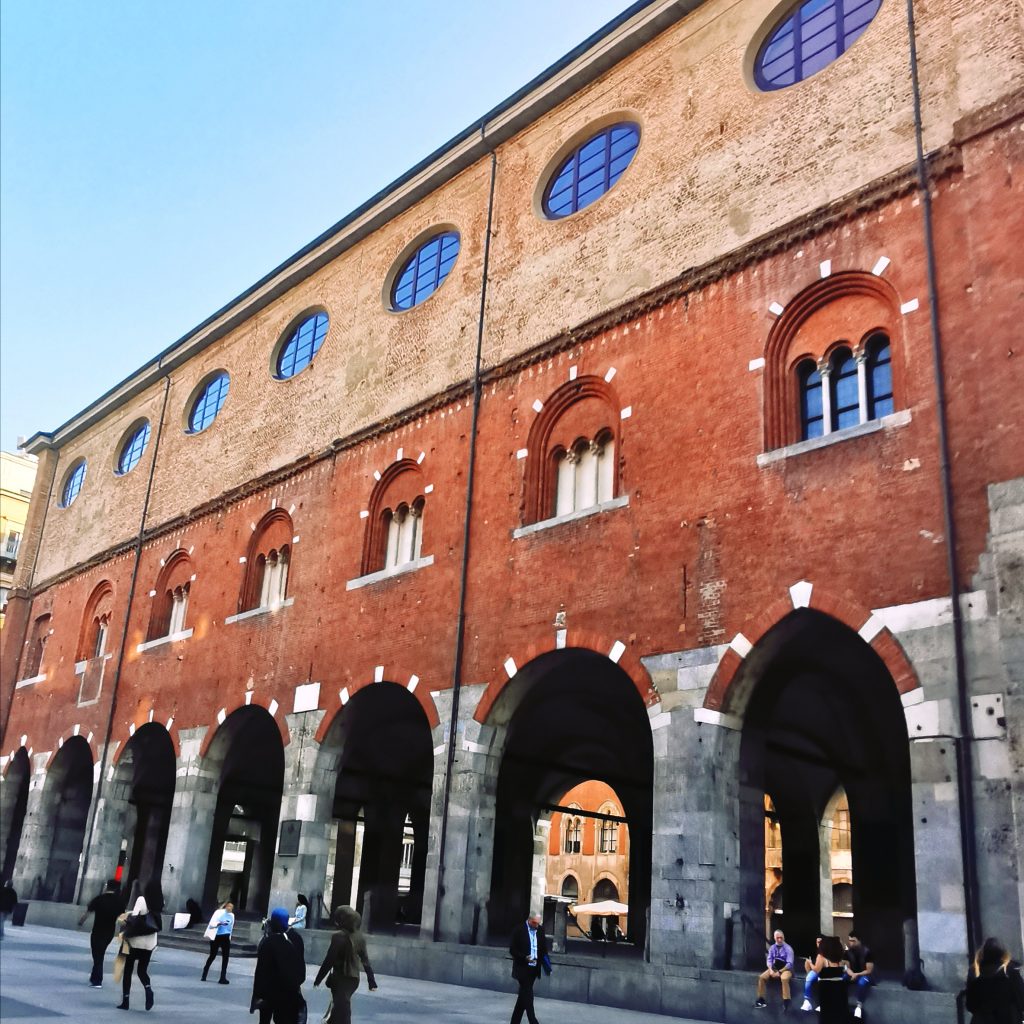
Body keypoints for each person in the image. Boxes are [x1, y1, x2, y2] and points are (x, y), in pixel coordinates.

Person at [313, 905, 378, 1024]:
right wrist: (371, 980)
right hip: (353, 979)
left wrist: (318, 979)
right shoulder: (359, 937)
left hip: (341, 978)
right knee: (340, 1007)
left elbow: (329, 960)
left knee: (342, 1010)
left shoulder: (338, 937)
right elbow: (365, 960)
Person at [251, 906, 306, 1024]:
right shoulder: (297, 938)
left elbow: (261, 971)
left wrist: (258, 994)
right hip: (290, 990)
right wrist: (297, 982)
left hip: (270, 992)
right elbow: (301, 965)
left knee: (264, 1020)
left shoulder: (268, 942)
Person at [119, 879, 163, 1011]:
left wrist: (126, 919)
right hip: (150, 942)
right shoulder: (160, 902)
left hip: (136, 940)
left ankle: (125, 1001)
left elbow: (135, 916)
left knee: (128, 970)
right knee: (142, 971)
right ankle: (148, 990)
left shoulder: (141, 900)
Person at [965, 937, 1024, 1024]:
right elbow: (1022, 1000)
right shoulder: (1011, 973)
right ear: (1002, 954)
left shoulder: (975, 977)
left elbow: (971, 1005)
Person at [78, 878, 123, 987]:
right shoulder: (119, 902)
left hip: (97, 930)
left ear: (107, 886)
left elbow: (87, 913)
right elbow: (122, 918)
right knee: (100, 953)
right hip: (109, 932)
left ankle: (97, 980)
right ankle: (94, 977)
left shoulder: (99, 899)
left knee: (97, 954)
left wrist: (80, 922)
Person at [509, 910, 549, 1024]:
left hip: (534, 968)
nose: (537, 926)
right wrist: (524, 957)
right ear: (529, 920)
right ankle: (533, 1021)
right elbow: (512, 950)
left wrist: (543, 962)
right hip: (522, 968)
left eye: (538, 923)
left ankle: (514, 1022)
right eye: (534, 923)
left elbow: (544, 949)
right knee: (528, 994)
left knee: (523, 997)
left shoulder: (540, 930)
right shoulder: (519, 930)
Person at [755, 928, 795, 1010]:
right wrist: (770, 970)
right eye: (777, 938)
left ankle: (786, 1000)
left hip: (785, 969)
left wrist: (779, 972)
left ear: (783, 937)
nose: (779, 939)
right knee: (762, 977)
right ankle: (761, 999)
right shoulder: (772, 948)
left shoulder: (788, 948)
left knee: (784, 978)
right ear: (774, 938)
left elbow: (789, 964)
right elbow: (769, 960)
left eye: (781, 937)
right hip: (774, 967)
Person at [201, 900, 235, 983]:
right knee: (213, 955)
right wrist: (219, 924)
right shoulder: (218, 913)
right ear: (225, 906)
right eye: (228, 906)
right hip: (217, 936)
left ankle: (222, 977)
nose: (230, 908)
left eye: (231, 907)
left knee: (226, 957)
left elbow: (231, 927)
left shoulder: (232, 915)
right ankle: (204, 973)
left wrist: (229, 937)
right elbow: (211, 924)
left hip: (226, 937)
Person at [845, 931, 874, 1019]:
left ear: (859, 941)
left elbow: (869, 970)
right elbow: (847, 968)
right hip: (852, 974)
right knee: (840, 979)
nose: (851, 943)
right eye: (850, 940)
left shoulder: (867, 952)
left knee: (862, 983)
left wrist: (857, 974)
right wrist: (852, 974)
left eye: (853, 941)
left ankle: (859, 1006)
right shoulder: (847, 953)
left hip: (864, 975)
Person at [800, 934, 825, 1012]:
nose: (819, 944)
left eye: (820, 942)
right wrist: (809, 970)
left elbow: (817, 968)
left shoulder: (827, 951)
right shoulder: (814, 951)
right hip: (816, 972)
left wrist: (810, 963)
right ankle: (807, 1001)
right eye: (818, 942)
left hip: (826, 973)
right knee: (809, 977)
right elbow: (813, 967)